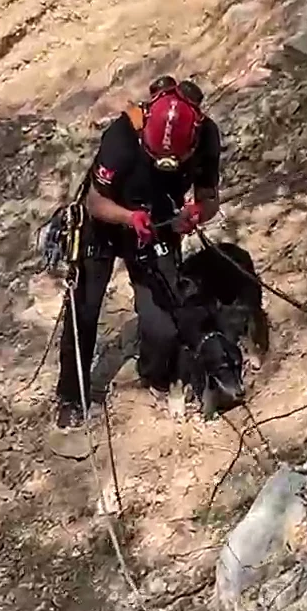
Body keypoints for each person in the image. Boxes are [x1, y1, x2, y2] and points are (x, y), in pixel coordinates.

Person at [55, 75, 221, 430]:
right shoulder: (122, 135)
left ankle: (152, 374)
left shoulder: (207, 136)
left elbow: (208, 198)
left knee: (164, 324)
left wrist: (195, 214)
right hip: (105, 223)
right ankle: (71, 395)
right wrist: (130, 218)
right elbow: (95, 201)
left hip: (158, 224)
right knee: (82, 311)